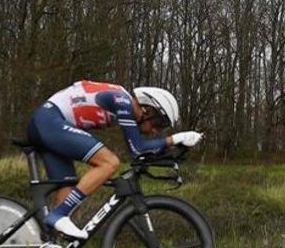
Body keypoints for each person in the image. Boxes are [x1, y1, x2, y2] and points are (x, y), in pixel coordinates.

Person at [25, 80, 203, 239]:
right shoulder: (122, 101)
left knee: (67, 187)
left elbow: (141, 152)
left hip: (48, 122)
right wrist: (174, 139)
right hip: (49, 121)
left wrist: (171, 148)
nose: (156, 131)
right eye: (158, 124)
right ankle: (59, 215)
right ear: (147, 110)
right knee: (109, 163)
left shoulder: (122, 100)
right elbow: (137, 149)